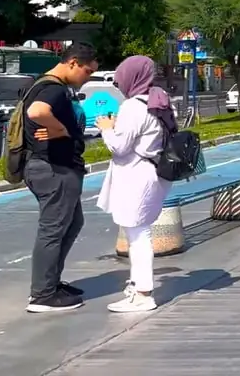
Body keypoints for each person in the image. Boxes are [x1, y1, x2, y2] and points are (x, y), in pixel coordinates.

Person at [22, 42, 98, 313]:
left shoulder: (49, 85)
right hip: (53, 168)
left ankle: (50, 283)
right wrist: (61, 130)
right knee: (53, 229)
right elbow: (36, 112)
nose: (87, 78)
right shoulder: (53, 88)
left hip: (56, 167)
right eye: (87, 72)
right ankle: (42, 295)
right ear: (73, 63)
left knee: (72, 223)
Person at [96, 55, 174, 313]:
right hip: (154, 174)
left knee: (138, 236)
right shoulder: (159, 101)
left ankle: (143, 294)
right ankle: (138, 287)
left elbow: (119, 147)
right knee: (138, 233)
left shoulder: (133, 107)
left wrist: (107, 128)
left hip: (136, 176)